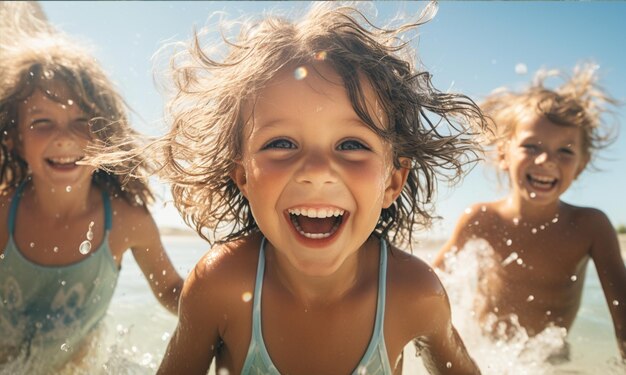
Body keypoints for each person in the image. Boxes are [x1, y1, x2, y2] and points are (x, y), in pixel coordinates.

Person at [155, 3, 487, 374]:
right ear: (243, 175)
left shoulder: (413, 294)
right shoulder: (220, 286)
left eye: (351, 145)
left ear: (393, 181)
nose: (316, 172)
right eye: (280, 143)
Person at [0, 12, 184, 374]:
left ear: (104, 133)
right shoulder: (4, 211)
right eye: (41, 122)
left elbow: (170, 292)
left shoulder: (127, 222)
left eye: (81, 121)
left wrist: (238, 306)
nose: (64, 136)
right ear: (15, 139)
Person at [433, 64, 626, 361]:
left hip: (551, 361)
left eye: (565, 151)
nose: (547, 160)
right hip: (484, 356)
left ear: (582, 165)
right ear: (503, 154)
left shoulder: (591, 227)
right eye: (532, 146)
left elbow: (622, 311)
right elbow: (431, 285)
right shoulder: (481, 218)